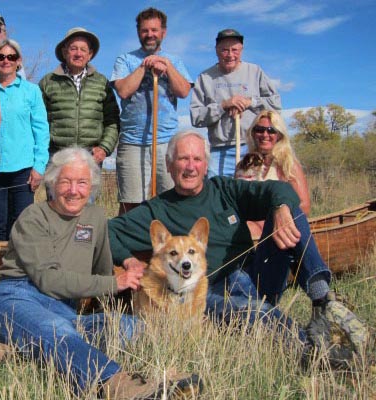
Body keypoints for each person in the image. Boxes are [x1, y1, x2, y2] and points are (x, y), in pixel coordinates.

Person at [108, 131, 367, 368]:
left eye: (197, 159)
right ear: (169, 165)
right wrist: (129, 260)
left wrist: (280, 209)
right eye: (183, 159)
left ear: (205, 164)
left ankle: (323, 299)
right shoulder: (157, 209)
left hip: (255, 275)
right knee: (255, 312)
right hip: (207, 290)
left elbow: (280, 189)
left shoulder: (224, 189)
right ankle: (313, 353)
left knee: (291, 210)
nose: (190, 166)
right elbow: (109, 231)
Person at [0, 147, 202, 399]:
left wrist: (131, 268)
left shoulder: (95, 217)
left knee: (131, 327)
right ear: (53, 183)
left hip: (64, 310)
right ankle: (118, 385)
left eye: (82, 182)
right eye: (66, 182)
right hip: (17, 296)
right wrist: (112, 282)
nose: (74, 190)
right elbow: (49, 280)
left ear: (92, 186)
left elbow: (103, 271)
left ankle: (16, 352)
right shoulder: (34, 216)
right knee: (56, 331)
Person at [111, 7, 192, 214]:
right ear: (138, 32)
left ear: (163, 32)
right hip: (132, 141)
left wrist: (167, 66)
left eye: (154, 30)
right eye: (145, 30)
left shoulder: (174, 61)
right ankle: (132, 244)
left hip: (165, 142)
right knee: (131, 203)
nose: (150, 35)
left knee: (170, 199)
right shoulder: (125, 60)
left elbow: (183, 91)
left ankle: (166, 243)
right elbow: (123, 91)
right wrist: (143, 68)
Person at [190, 28, 282, 177]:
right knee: (218, 195)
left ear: (242, 49)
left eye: (235, 50)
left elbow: (276, 103)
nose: (230, 55)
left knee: (250, 196)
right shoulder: (205, 78)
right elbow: (196, 117)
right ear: (216, 50)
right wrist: (223, 106)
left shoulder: (254, 71)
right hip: (219, 150)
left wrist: (250, 102)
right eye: (224, 50)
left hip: (252, 148)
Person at [0, 39, 49, 241]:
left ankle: (18, 270)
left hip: (23, 167)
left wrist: (39, 166)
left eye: (11, 57)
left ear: (18, 61)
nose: (6, 61)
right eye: (1, 56)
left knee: (21, 224)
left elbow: (41, 129)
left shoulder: (31, 91)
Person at [39, 27, 119, 166]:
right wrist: (43, 150)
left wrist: (104, 148)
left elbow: (112, 121)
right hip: (56, 157)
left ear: (90, 54)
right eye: (73, 48)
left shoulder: (102, 83)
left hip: (90, 157)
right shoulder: (48, 82)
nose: (78, 54)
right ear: (64, 52)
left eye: (83, 49)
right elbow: (37, 121)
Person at [238, 110, 310, 238]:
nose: (265, 134)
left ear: (279, 135)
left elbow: (304, 206)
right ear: (253, 133)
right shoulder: (244, 164)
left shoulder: (288, 165)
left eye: (271, 130)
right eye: (259, 129)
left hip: (278, 231)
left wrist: (278, 216)